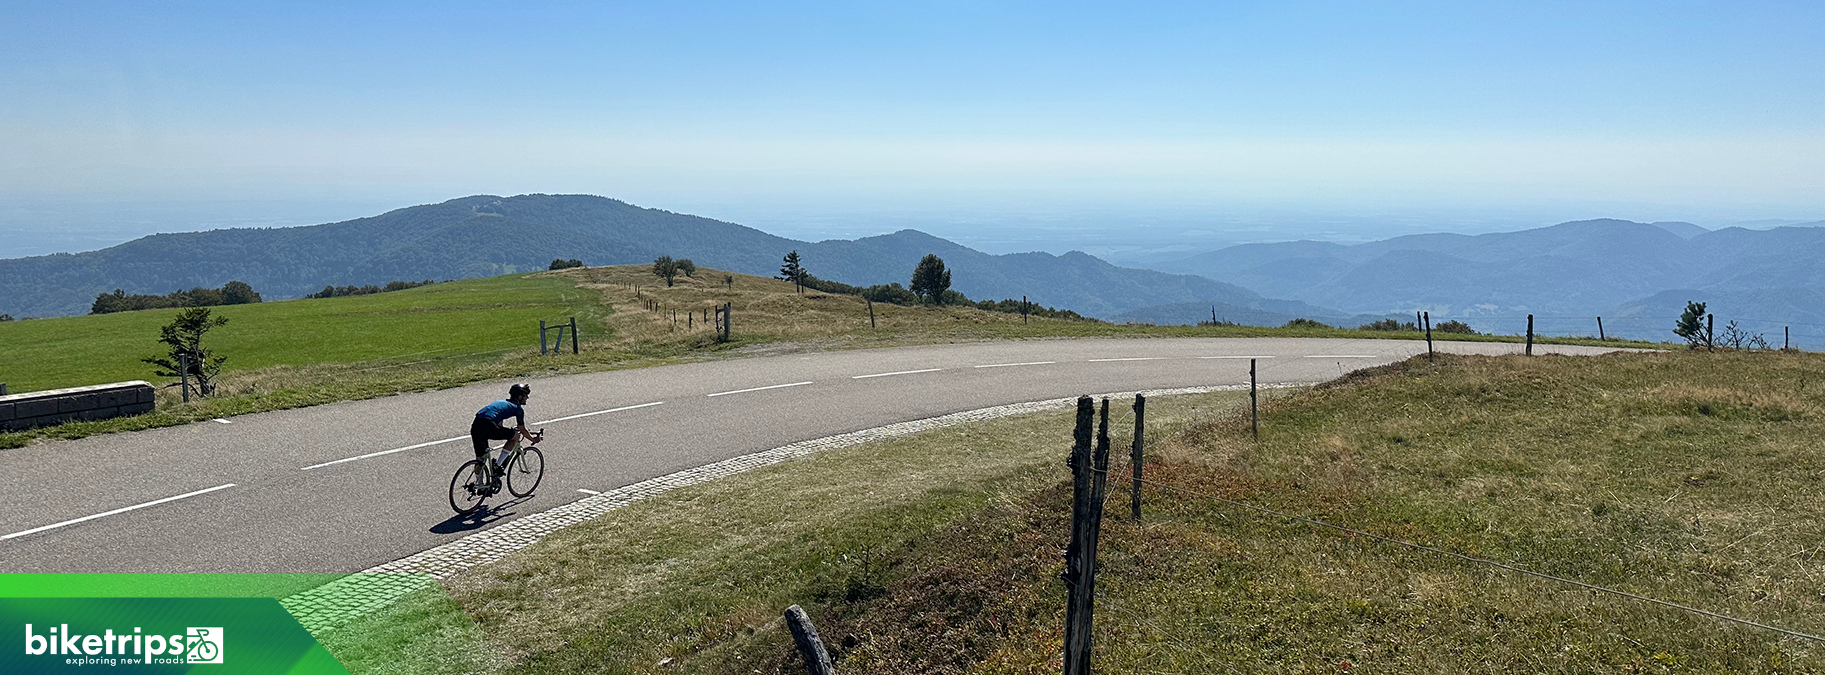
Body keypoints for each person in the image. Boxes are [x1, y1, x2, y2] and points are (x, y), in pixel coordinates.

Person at [471, 383, 537, 487]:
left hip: (476, 424)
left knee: (481, 458)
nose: (527, 397)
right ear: (520, 397)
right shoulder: (518, 409)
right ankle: (498, 465)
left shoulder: (503, 402)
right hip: (488, 423)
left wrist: (504, 430)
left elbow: (499, 421)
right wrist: (533, 439)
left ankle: (479, 485)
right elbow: (522, 429)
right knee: (515, 436)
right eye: (526, 395)